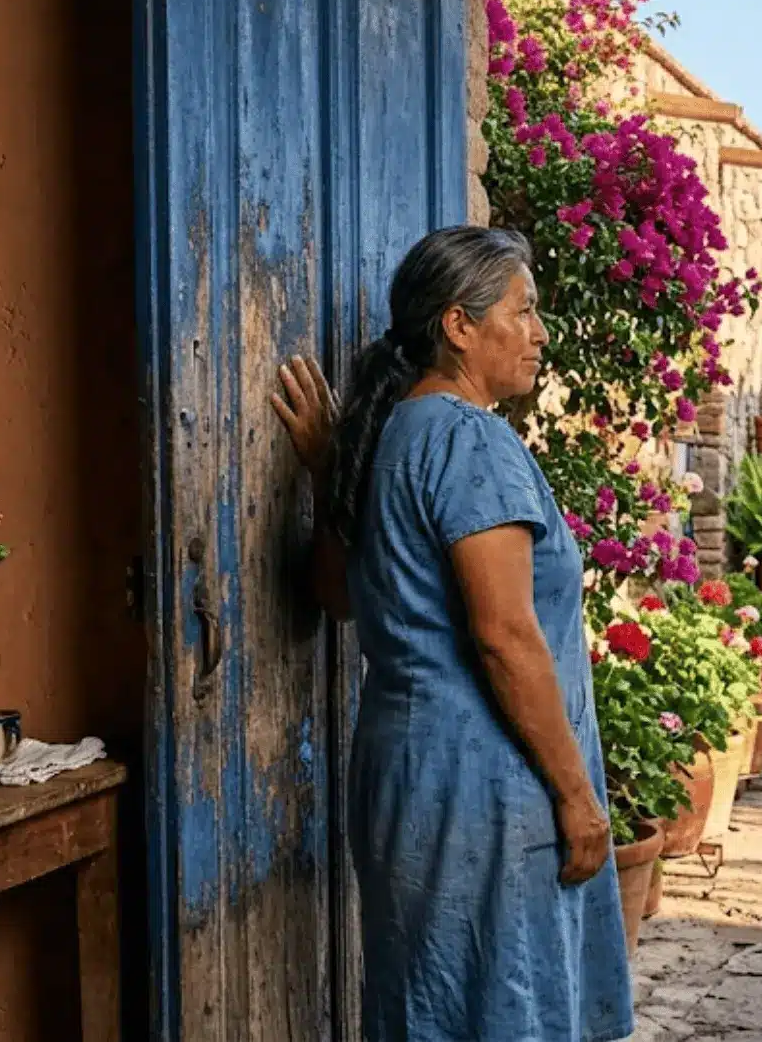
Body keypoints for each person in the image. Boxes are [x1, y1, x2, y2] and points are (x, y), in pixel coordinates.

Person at [269, 226, 634, 1042]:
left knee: (431, 1004)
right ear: (460, 326)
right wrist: (578, 800)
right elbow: (506, 636)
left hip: (408, 777)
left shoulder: (389, 438)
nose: (540, 333)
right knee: (502, 1006)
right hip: (486, 786)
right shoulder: (472, 441)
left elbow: (335, 598)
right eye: (524, 311)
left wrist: (330, 474)